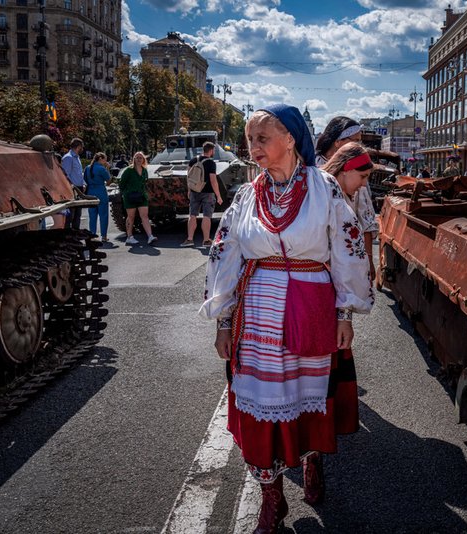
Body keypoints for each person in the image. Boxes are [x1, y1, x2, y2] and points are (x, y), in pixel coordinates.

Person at [201, 105, 372, 533]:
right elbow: (226, 253)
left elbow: (347, 250)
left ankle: (312, 461)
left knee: (307, 394)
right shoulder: (245, 196)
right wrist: (223, 320)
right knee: (260, 405)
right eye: (249, 139)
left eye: (262, 138)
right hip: (258, 313)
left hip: (311, 308)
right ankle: (271, 500)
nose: (253, 147)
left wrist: (345, 311)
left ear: (291, 139)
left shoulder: (324, 189)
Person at [316, 116, 378, 281]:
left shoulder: (358, 171)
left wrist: (369, 259)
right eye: (356, 140)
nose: (360, 146)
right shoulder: (311, 169)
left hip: (347, 256)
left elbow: (365, 220)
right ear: (338, 141)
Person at [182, 141, 223, 247]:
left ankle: (190, 239)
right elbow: (213, 180)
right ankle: (206, 240)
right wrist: (218, 195)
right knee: (207, 216)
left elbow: (189, 177)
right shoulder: (211, 163)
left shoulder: (193, 160)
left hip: (195, 191)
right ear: (211, 150)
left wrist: (189, 190)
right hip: (208, 193)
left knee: (192, 215)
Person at [120, 152, 157, 245]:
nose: (139, 159)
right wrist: (126, 193)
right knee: (131, 217)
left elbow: (145, 182)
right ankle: (129, 236)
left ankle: (150, 236)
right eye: (137, 157)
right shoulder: (128, 170)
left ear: (143, 159)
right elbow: (122, 184)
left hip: (141, 196)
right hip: (130, 196)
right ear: (134, 159)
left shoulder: (144, 170)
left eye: (140, 157)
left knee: (144, 216)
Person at [84, 152, 112, 241]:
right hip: (101, 192)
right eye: (105, 159)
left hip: (90, 192)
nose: (106, 161)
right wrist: (107, 168)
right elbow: (108, 181)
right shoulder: (102, 169)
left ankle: (92, 235)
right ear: (100, 159)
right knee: (103, 215)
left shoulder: (88, 168)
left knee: (92, 215)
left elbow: (85, 179)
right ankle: (104, 236)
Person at [61, 138, 85, 229]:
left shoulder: (77, 157)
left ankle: (76, 235)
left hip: (79, 188)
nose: (82, 149)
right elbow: (65, 175)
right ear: (78, 146)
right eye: (82, 147)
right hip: (72, 188)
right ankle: (68, 235)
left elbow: (78, 173)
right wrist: (71, 188)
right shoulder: (68, 157)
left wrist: (83, 183)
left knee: (77, 214)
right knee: (70, 214)